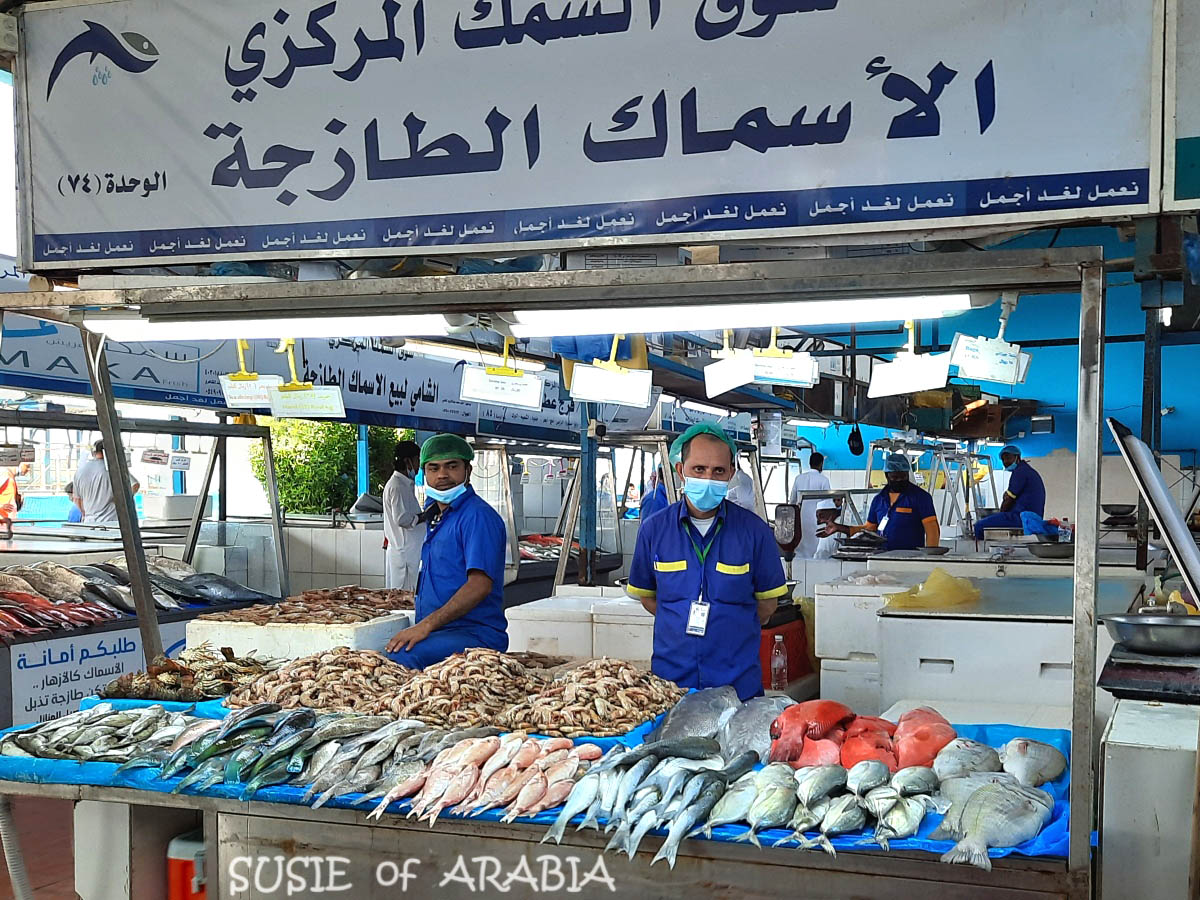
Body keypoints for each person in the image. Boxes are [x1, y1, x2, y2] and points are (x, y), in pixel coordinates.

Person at [626, 423, 788, 701]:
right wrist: (679, 620)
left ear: (731, 474)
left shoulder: (755, 532)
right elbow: (649, 598)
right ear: (681, 471)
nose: (708, 478)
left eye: (718, 471)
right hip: (672, 687)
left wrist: (728, 625)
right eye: (699, 469)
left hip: (738, 688)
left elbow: (767, 606)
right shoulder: (654, 530)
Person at [384, 434, 508, 668]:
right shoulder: (437, 516)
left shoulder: (477, 516)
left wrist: (425, 626)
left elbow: (479, 585)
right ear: (424, 473)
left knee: (400, 658)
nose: (442, 475)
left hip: (474, 634)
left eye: (452, 466)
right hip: (442, 631)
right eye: (434, 468)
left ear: (468, 471)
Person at [832, 453, 940, 551]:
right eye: (895, 477)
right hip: (882, 556)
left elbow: (932, 530)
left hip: (911, 557)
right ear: (887, 476)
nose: (899, 480)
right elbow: (870, 528)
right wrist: (841, 528)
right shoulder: (878, 500)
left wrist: (930, 557)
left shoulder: (921, 497)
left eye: (903, 476)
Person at [974, 445, 1047, 539]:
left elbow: (1008, 500)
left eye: (1008, 458)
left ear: (1017, 457)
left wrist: (1000, 514)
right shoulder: (1028, 471)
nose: (1005, 462)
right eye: (1003, 459)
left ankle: (979, 548)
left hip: (1021, 518)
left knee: (979, 526)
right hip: (1031, 518)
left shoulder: (1020, 472)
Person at [382, 440, 423, 591]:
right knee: (402, 598)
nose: (418, 466)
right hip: (404, 555)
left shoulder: (405, 484)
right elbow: (401, 519)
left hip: (409, 553)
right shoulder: (397, 486)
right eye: (417, 460)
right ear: (408, 461)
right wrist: (422, 517)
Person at [71, 440, 139, 525]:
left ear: (94, 452)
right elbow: (135, 485)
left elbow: (77, 499)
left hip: (89, 523)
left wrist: (85, 513)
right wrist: (121, 499)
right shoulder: (114, 468)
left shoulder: (80, 471)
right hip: (112, 522)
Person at [789, 451, 831, 559]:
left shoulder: (799, 478)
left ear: (809, 463)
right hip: (816, 521)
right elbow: (828, 504)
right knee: (815, 552)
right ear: (821, 464)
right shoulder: (824, 480)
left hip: (800, 520)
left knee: (800, 550)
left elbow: (792, 501)